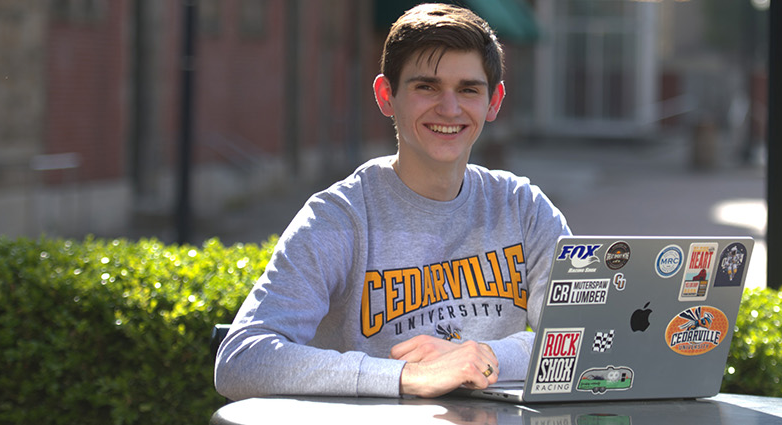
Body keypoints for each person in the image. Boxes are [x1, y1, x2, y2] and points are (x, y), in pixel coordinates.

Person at [214, 3, 571, 400]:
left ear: (494, 102)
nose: (449, 108)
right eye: (426, 87)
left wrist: (483, 356)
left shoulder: (524, 209)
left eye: (468, 89)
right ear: (387, 96)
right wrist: (405, 377)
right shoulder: (340, 218)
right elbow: (242, 359)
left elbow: (579, 337)